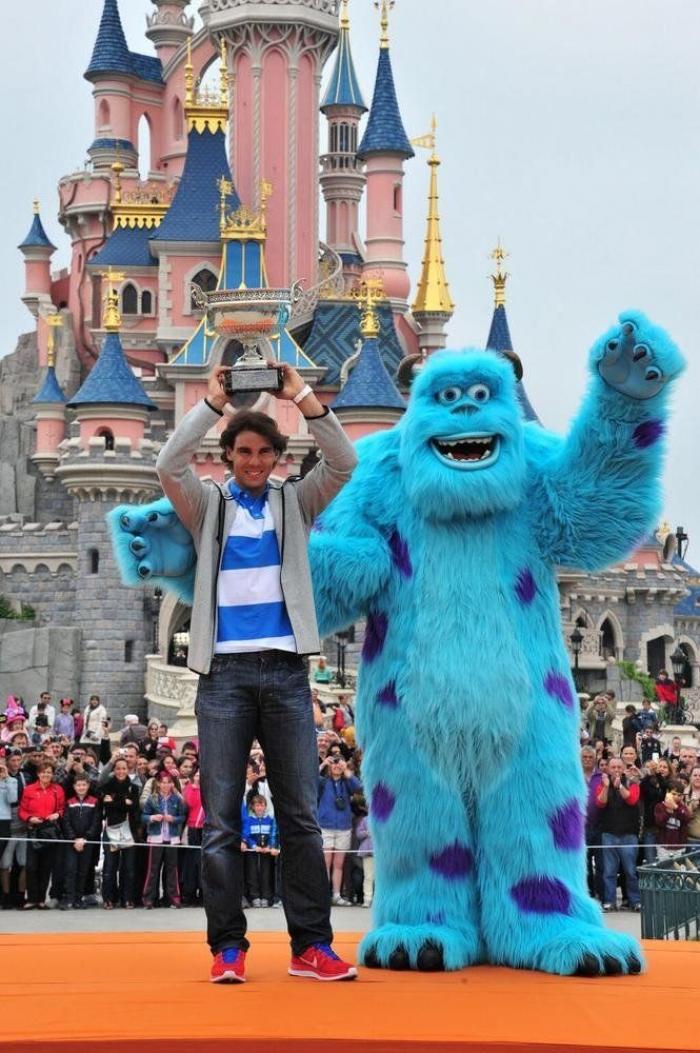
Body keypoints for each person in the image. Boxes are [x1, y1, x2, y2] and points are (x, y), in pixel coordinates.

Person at [155, 361, 358, 984]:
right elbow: (168, 464)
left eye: (265, 451)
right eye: (243, 450)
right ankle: (228, 948)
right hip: (225, 678)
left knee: (298, 815)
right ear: (228, 454)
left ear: (276, 455)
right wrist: (212, 403)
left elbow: (345, 463)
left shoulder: (294, 501)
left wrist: (301, 395)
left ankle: (310, 946)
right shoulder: (207, 504)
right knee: (220, 820)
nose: (254, 460)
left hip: (287, 674)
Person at [596, 757, 641, 912]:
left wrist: (620, 786)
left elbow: (632, 800)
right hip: (609, 834)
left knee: (630, 871)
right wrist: (607, 788)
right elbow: (600, 803)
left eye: (618, 767)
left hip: (628, 834)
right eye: (613, 767)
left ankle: (635, 901)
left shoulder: (632, 783)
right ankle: (609, 901)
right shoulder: (603, 783)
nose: (615, 770)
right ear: (608, 768)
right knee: (609, 872)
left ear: (623, 768)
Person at [18, 761, 65, 909]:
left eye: (49, 772)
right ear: (38, 773)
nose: (46, 775)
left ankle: (40, 899)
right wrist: (29, 818)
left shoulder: (58, 790)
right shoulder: (29, 789)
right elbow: (22, 810)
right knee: (32, 866)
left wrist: (57, 814)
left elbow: (63, 808)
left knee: (46, 867)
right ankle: (31, 898)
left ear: (52, 774)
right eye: (43, 772)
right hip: (34, 830)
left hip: (50, 831)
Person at [318, 755, 362, 906]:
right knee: (326, 862)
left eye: (339, 762)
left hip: (343, 827)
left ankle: (336, 895)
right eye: (334, 763)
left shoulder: (347, 782)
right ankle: (323, 894)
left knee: (339, 864)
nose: (336, 765)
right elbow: (309, 781)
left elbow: (359, 788)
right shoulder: (323, 782)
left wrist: (346, 770)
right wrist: (324, 763)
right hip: (325, 826)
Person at [142, 770, 186, 909]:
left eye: (169, 782)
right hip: (156, 838)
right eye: (163, 782)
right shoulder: (152, 798)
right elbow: (143, 816)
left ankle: (174, 898)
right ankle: (149, 898)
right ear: (158, 784)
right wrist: (152, 818)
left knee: (172, 869)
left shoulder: (177, 799)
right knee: (153, 869)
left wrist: (173, 819)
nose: (166, 785)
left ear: (173, 784)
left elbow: (182, 817)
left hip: (172, 838)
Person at [100, 758, 139, 909]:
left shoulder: (133, 788)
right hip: (111, 831)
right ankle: (109, 898)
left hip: (129, 831)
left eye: (124, 768)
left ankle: (127, 898)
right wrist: (124, 803)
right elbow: (108, 807)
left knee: (128, 868)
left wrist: (116, 802)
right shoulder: (107, 787)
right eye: (118, 769)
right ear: (114, 770)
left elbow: (134, 807)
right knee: (110, 867)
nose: (121, 771)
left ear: (128, 769)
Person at [60, 775, 100, 909]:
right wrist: (74, 839)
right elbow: (65, 822)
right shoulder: (69, 801)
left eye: (84, 785)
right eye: (78, 785)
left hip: (86, 842)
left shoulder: (94, 801)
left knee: (83, 871)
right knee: (70, 870)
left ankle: (78, 898)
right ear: (74, 787)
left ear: (88, 786)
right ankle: (69, 898)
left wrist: (85, 838)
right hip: (72, 842)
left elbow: (96, 822)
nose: (81, 787)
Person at [241, 794, 279, 907]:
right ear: (253, 807)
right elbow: (247, 835)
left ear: (265, 806)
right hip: (253, 851)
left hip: (266, 851)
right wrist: (253, 846)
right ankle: (255, 897)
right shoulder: (249, 820)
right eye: (257, 805)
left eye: (262, 805)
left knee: (266, 874)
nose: (259, 808)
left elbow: (273, 833)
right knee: (252, 873)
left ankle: (266, 897)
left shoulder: (270, 820)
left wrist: (270, 846)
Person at [182, 769, 205, 906]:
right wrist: (195, 787)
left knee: (203, 863)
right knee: (191, 862)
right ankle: (189, 893)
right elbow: (189, 803)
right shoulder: (189, 788)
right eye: (196, 775)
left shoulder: (209, 788)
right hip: (193, 829)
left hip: (206, 828)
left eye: (200, 775)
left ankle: (203, 893)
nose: (198, 777)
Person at [654, 779, 691, 860]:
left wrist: (676, 808)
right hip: (664, 847)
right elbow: (659, 822)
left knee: (678, 870)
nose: (676, 797)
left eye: (679, 795)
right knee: (664, 868)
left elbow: (687, 818)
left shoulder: (682, 807)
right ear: (667, 792)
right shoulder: (660, 806)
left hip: (679, 847)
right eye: (673, 794)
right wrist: (668, 812)